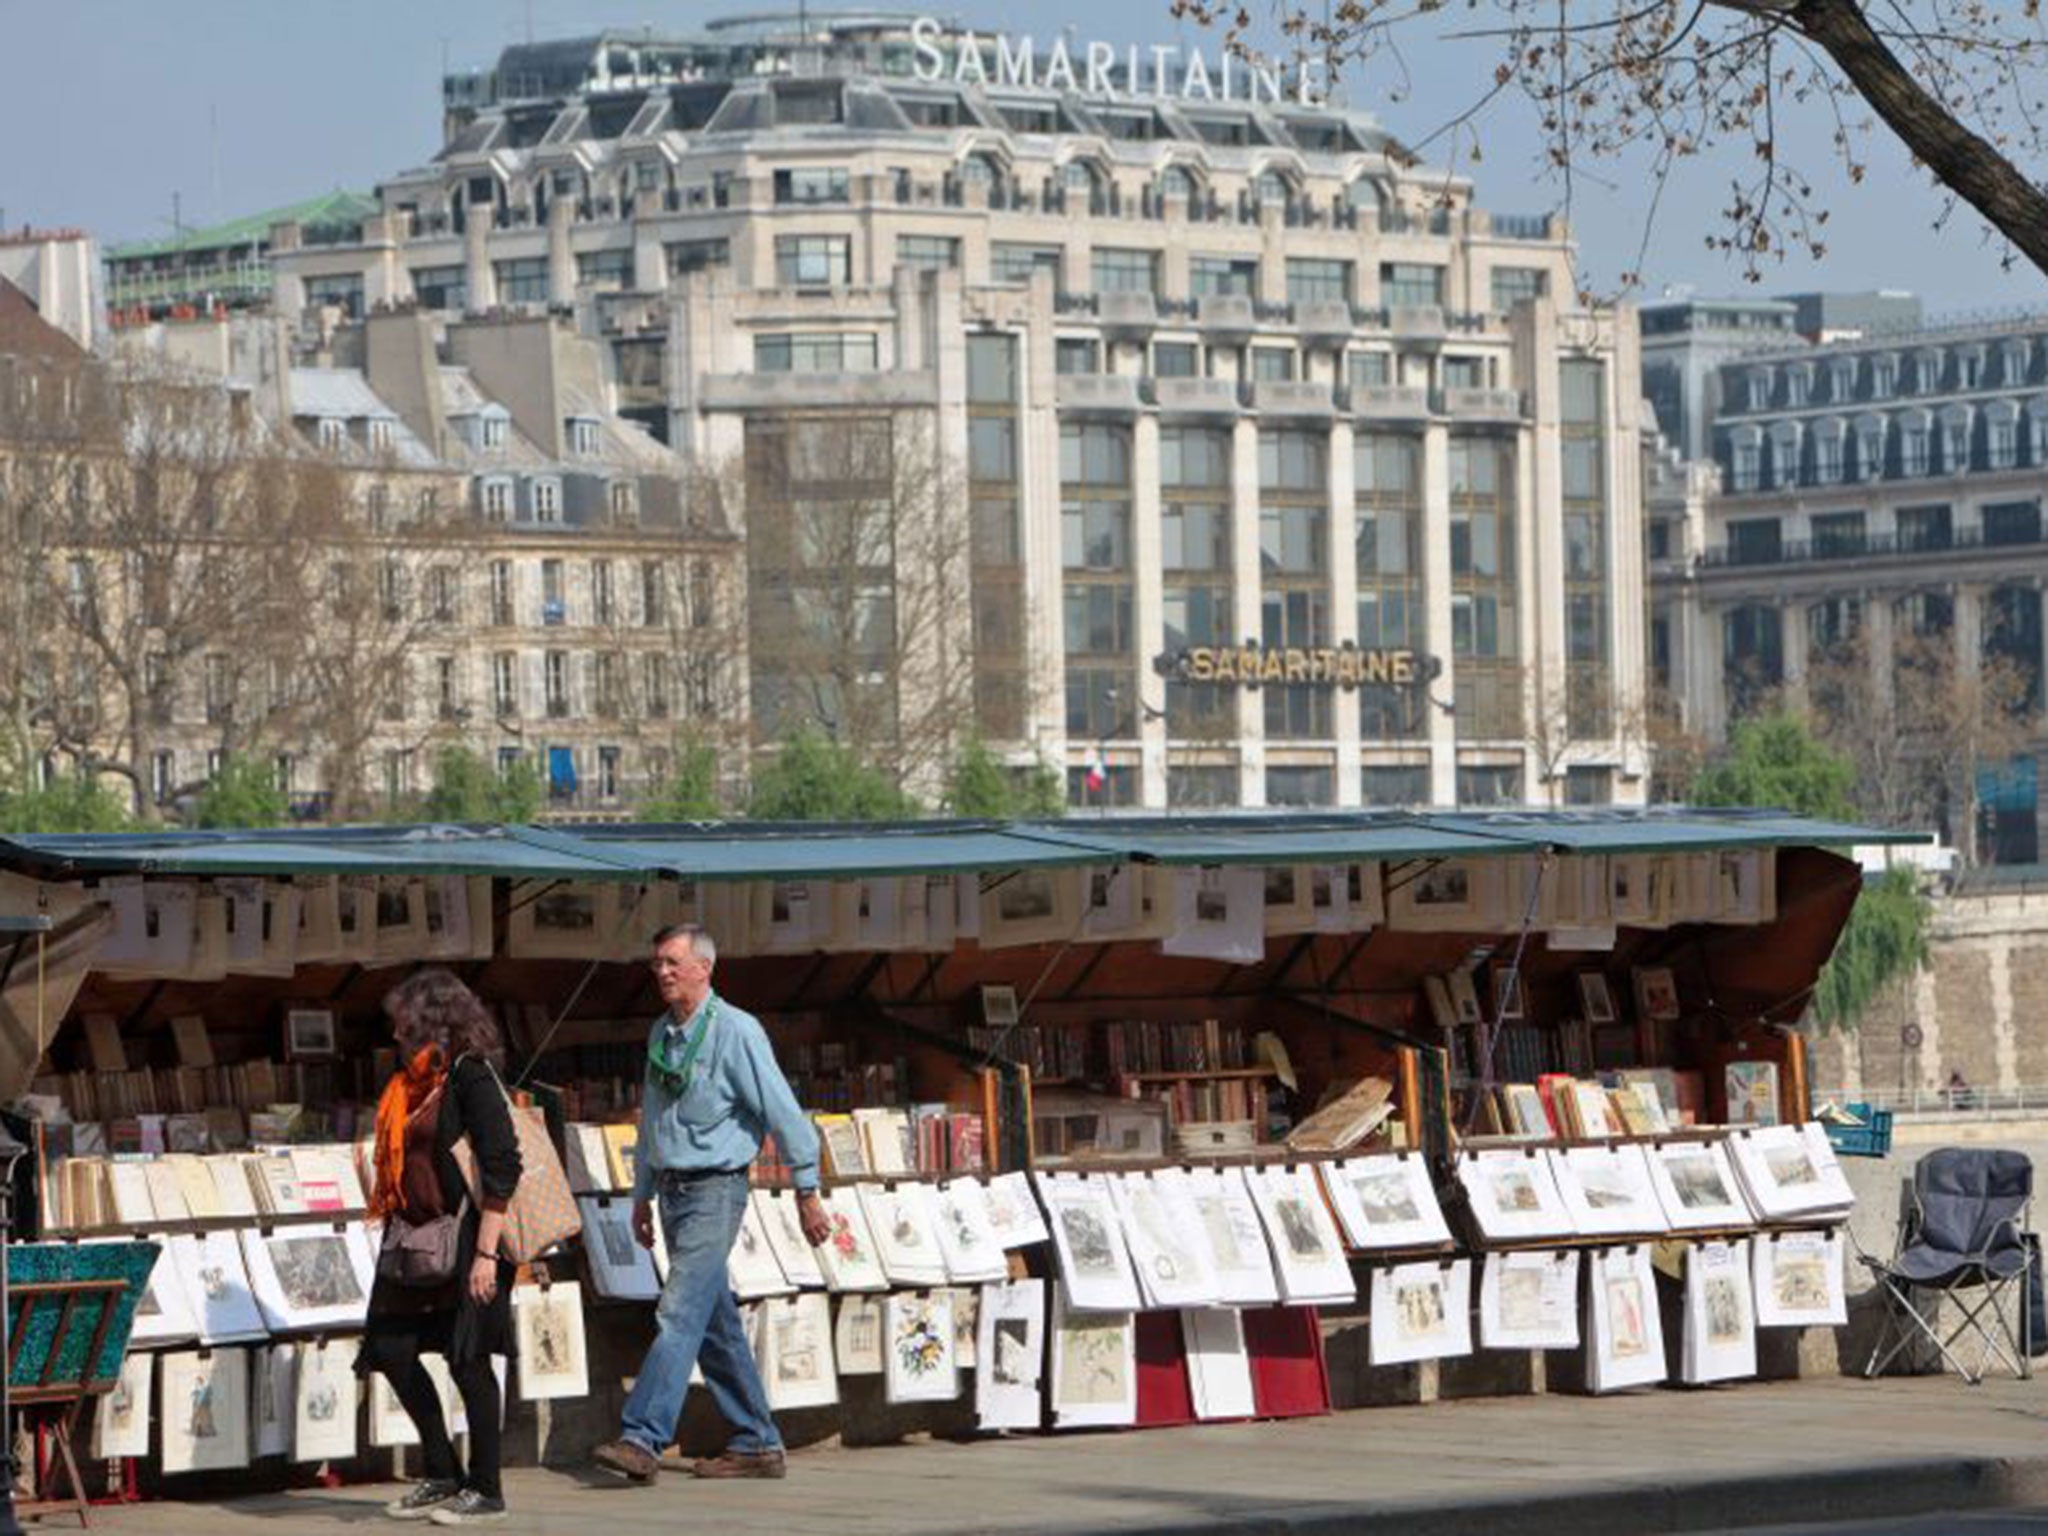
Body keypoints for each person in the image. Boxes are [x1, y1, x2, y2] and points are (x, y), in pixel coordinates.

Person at [593, 923, 830, 1484]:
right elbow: (652, 1121)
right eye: (657, 963)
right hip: (672, 1190)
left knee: (678, 1311)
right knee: (713, 1319)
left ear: (705, 967)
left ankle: (642, 1437)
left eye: (673, 962)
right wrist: (641, 1196)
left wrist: (807, 1190)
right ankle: (758, 1441)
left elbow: (783, 1111)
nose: (663, 972)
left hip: (716, 1189)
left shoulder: (737, 1032)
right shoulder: (662, 1033)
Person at [359, 968, 523, 1527]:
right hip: (412, 1235)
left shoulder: (470, 1076)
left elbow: (504, 1162)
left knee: (468, 1361)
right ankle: (441, 1471)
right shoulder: (410, 1084)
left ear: (436, 1022)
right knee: (390, 1348)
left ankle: (487, 1489)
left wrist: (485, 1254)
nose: (397, 1033)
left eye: (406, 1022)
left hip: (469, 1238)